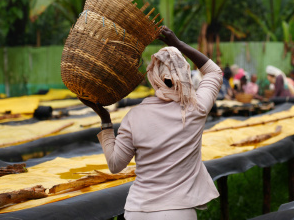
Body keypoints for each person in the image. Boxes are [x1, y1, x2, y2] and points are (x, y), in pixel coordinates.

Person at [79, 26, 222, 220]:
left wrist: (105, 120)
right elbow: (214, 72)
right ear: (185, 74)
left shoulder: (134, 116)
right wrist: (178, 44)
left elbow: (115, 165)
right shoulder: (196, 109)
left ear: (154, 79)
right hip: (177, 212)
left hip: (136, 211)